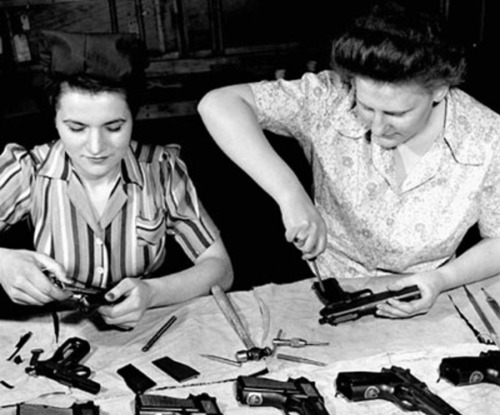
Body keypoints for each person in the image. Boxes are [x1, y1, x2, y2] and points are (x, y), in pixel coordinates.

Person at [198, 0, 500, 319]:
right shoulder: (330, 98)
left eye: (397, 113)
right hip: (330, 291)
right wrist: (291, 194)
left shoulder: (488, 138)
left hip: (429, 298)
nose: (378, 127)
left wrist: (440, 280)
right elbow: (218, 104)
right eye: (366, 107)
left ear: (439, 90)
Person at [0, 30, 233, 329]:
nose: (96, 148)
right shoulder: (28, 170)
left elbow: (220, 268)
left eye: (113, 127)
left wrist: (152, 293)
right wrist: (2, 263)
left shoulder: (161, 170)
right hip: (57, 334)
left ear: (133, 118)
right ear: (55, 120)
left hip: (149, 330)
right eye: (76, 128)